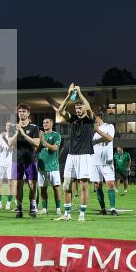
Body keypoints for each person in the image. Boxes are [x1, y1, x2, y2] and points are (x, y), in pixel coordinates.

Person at [56, 84, 95, 222]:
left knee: (83, 185)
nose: (78, 110)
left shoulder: (90, 119)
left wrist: (80, 92)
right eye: (77, 108)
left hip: (84, 155)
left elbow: (89, 107)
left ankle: (82, 214)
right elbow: (60, 110)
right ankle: (67, 214)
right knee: (66, 185)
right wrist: (68, 95)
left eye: (80, 108)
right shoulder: (72, 119)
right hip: (71, 155)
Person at [10, 104, 41, 218]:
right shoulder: (14, 127)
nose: (21, 113)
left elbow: (37, 143)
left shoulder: (34, 127)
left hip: (30, 160)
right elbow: (9, 144)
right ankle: (19, 208)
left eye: (24, 111)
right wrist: (17, 133)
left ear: (28, 113)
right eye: (20, 111)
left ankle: (32, 207)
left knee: (32, 185)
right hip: (17, 160)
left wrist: (23, 134)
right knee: (18, 185)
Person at [91, 111, 117, 215]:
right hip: (94, 161)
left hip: (107, 161)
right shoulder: (90, 130)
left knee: (110, 184)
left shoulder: (109, 126)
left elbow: (110, 138)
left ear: (98, 116)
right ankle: (103, 209)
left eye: (92, 116)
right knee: (97, 186)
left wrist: (97, 130)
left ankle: (112, 208)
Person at [36, 118, 62, 217]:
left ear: (51, 124)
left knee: (56, 188)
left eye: (47, 122)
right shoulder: (40, 136)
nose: (45, 124)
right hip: (41, 166)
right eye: (43, 122)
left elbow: (54, 148)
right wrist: (39, 140)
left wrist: (43, 140)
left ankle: (58, 209)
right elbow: (36, 149)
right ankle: (44, 209)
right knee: (43, 189)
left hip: (53, 167)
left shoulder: (56, 135)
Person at [0, 122, 14, 210]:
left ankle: (8, 204)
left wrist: (2, 137)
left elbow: (10, 147)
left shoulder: (13, 136)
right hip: (0, 162)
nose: (7, 127)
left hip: (10, 163)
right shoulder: (2, 135)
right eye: (6, 125)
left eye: (9, 125)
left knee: (10, 184)